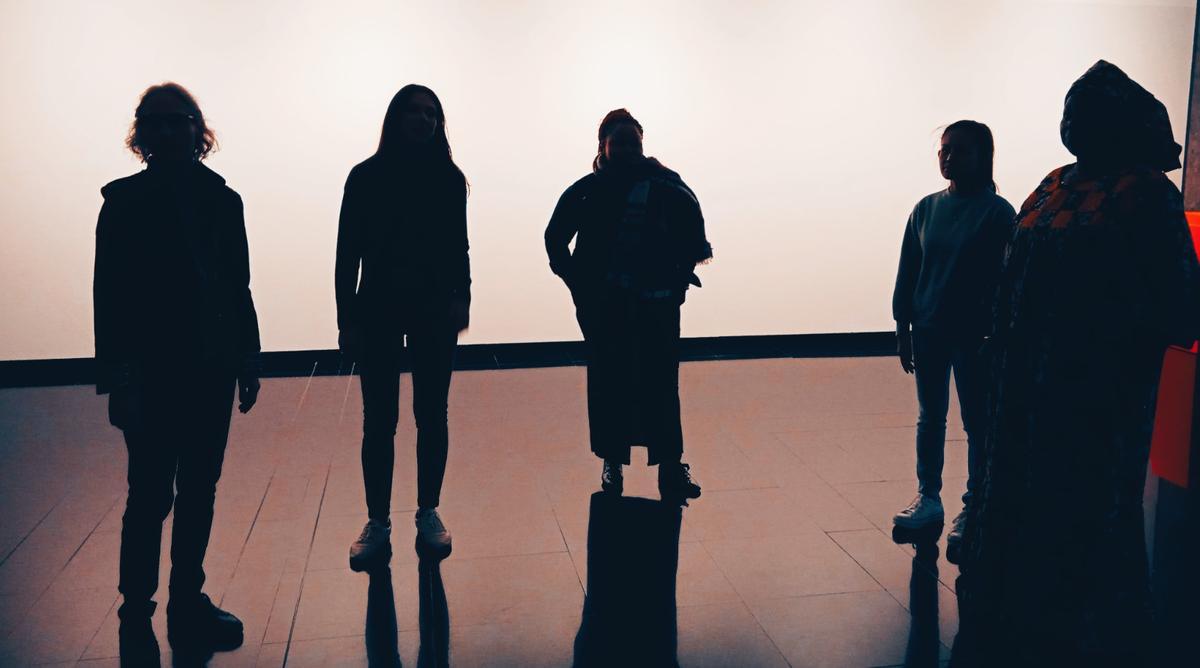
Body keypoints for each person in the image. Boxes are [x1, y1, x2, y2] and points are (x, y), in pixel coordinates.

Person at [952, 61, 1200, 667]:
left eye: (1086, 109)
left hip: (1094, 396)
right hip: (1022, 387)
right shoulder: (1055, 183)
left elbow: (1179, 305)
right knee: (1021, 499)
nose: (1072, 118)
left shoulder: (1145, 193)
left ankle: (1085, 631)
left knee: (1089, 511)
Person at [94, 82, 261, 663]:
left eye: (177, 121)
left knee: (197, 489)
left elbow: (238, 287)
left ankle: (184, 597)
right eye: (155, 122)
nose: (166, 132)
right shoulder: (121, 204)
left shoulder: (224, 201)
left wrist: (248, 358)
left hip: (210, 367)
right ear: (142, 134)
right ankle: (138, 608)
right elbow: (108, 300)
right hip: (153, 372)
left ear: (197, 129)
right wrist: (120, 381)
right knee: (149, 493)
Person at [545, 109, 712, 503]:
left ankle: (671, 467)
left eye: (632, 142)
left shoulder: (667, 186)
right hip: (606, 308)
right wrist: (578, 284)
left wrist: (677, 283)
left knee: (661, 384)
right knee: (609, 382)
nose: (625, 148)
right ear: (603, 145)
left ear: (642, 144)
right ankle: (612, 463)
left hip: (657, 305)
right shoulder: (587, 190)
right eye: (618, 141)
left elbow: (693, 234)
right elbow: (555, 238)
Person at [337, 84, 470, 569]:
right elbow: (346, 253)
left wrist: (463, 296)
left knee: (433, 413)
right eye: (414, 111)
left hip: (434, 308)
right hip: (378, 308)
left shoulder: (449, 179)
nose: (424, 120)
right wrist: (345, 318)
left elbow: (460, 246)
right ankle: (378, 520)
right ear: (395, 118)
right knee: (381, 419)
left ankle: (427, 511)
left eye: (432, 113)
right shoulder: (366, 177)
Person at [891, 121, 1015, 553]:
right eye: (944, 150)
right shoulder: (925, 209)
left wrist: (999, 334)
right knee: (931, 417)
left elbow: (1007, 279)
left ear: (982, 157)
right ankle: (928, 497)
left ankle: (975, 503)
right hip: (928, 330)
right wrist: (901, 325)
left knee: (977, 424)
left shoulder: (998, 213)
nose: (948, 158)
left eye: (959, 151)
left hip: (974, 336)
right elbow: (908, 271)